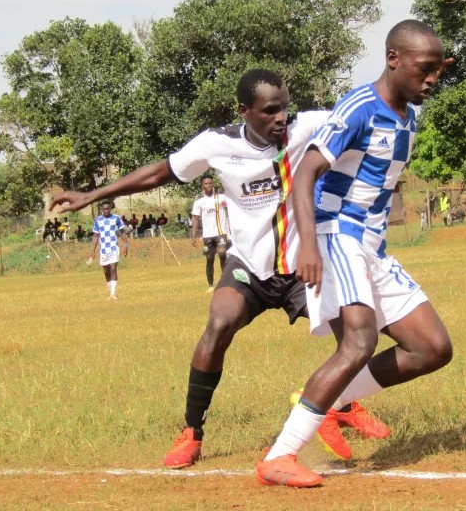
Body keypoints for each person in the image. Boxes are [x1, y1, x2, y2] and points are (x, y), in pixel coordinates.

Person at [49, 69, 385, 471]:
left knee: (354, 333)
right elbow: (158, 172)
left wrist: (410, 77)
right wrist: (93, 195)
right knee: (219, 325)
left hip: (302, 266)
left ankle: (343, 405)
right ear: (244, 111)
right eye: (270, 110)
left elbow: (365, 114)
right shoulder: (216, 144)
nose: (281, 117)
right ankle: (192, 432)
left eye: (284, 108)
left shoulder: (308, 127)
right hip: (249, 267)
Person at [257, 20, 454, 487]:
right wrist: (308, 243)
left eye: (438, 71)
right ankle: (280, 457)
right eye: (425, 69)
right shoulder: (359, 107)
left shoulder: (407, 116)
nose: (432, 80)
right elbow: (305, 173)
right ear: (393, 59)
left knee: (431, 348)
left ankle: (333, 402)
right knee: (359, 342)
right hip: (336, 234)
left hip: (371, 244)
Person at [191, 176, 231, 293]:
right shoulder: (199, 202)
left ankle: (225, 283)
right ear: (202, 186)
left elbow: (231, 207)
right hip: (208, 235)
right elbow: (195, 219)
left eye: (210, 183)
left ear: (213, 184)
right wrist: (193, 236)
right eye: (206, 184)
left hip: (221, 232)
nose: (208, 185)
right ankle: (210, 285)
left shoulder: (221, 198)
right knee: (210, 259)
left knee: (222, 254)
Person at [88, 200, 128, 300]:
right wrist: (92, 250)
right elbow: (96, 236)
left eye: (108, 209)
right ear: (102, 210)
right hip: (103, 249)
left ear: (110, 209)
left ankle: (113, 293)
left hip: (114, 247)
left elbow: (122, 231)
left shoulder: (116, 218)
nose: (106, 210)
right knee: (106, 270)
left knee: (113, 268)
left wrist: (125, 244)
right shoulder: (98, 220)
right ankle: (111, 293)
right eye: (104, 209)